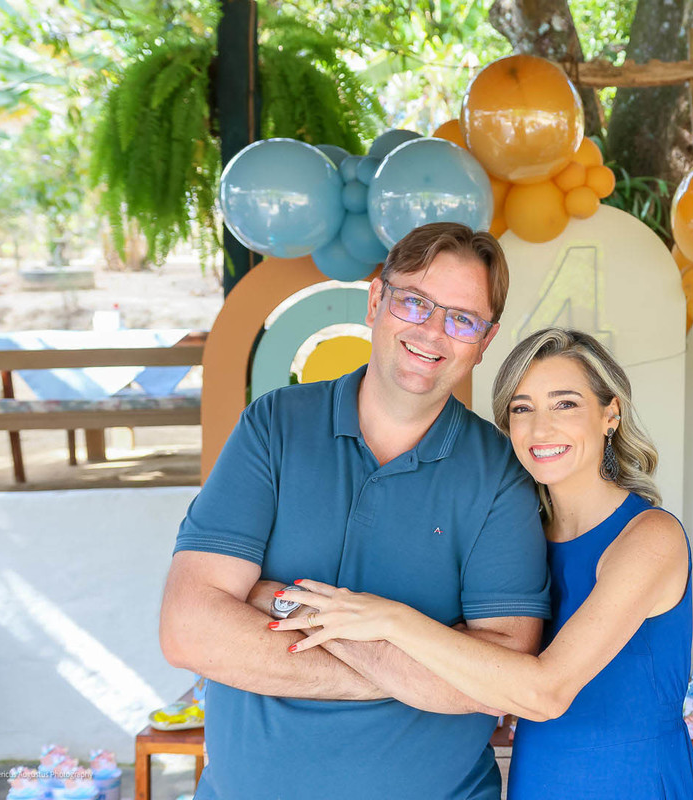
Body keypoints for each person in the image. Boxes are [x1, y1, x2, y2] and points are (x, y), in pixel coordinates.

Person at [159, 223, 551, 799]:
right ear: (375, 301)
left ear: (485, 341)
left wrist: (297, 608)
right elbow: (188, 630)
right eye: (414, 302)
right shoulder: (275, 426)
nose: (432, 331)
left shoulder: (500, 473)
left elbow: (502, 677)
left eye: (462, 319)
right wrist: (412, 670)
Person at [271, 328, 693, 799]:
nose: (541, 429)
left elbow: (546, 692)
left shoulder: (650, 536)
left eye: (565, 404)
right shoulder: (521, 537)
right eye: (522, 408)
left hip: (635, 784)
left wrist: (390, 619)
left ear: (610, 415)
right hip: (538, 781)